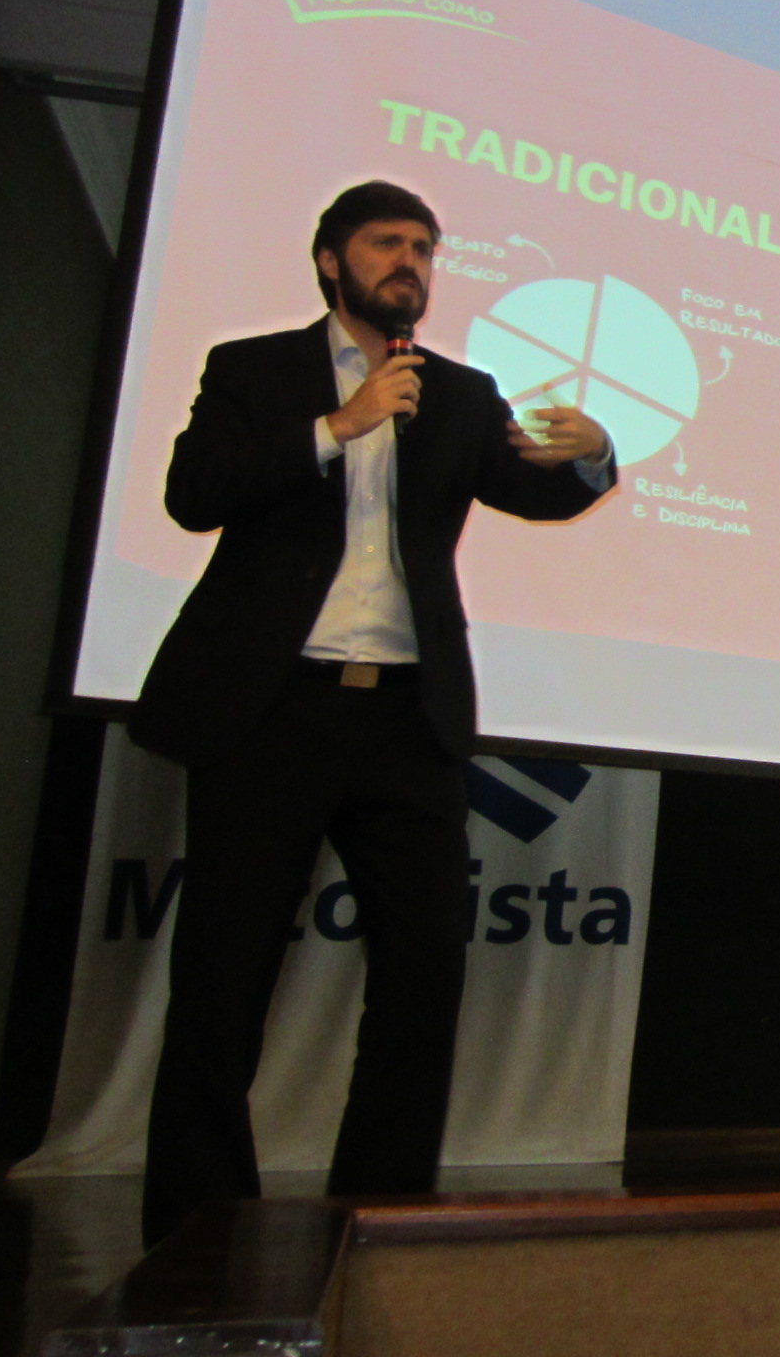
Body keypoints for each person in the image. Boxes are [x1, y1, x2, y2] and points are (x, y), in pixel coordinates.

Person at [134, 180, 614, 1247]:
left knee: (423, 980)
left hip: (407, 720)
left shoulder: (459, 392)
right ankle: (195, 1235)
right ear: (329, 260)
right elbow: (193, 490)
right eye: (389, 242)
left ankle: (378, 1218)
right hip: (271, 710)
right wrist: (335, 427)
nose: (411, 262)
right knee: (222, 983)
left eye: (426, 249)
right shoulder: (253, 368)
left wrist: (591, 455)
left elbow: (532, 487)